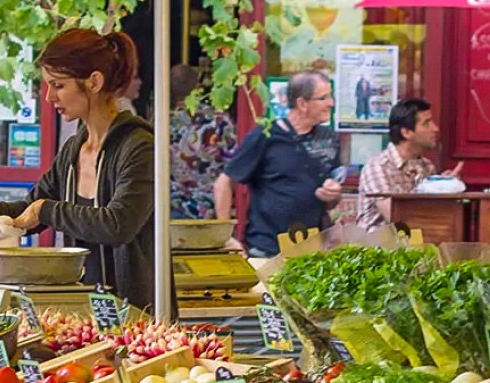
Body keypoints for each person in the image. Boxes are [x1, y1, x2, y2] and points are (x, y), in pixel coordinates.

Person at [0, 28, 161, 312]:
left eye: (58, 85)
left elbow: (119, 224)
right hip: (84, 310)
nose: (48, 97)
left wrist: (45, 209)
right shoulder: (73, 149)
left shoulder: (139, 147)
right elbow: (32, 208)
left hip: (137, 316)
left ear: (94, 81)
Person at [214, 71, 342, 258]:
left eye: (330, 96)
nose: (331, 103)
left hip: (312, 252)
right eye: (323, 98)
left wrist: (333, 194)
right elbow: (223, 183)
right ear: (302, 104)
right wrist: (225, 236)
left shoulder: (329, 138)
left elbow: (331, 201)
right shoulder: (265, 136)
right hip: (267, 249)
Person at [357, 98, 463, 231]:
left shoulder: (427, 167)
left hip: (417, 245)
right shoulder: (379, 167)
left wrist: (444, 186)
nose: (435, 129)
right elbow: (399, 218)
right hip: (378, 248)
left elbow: (434, 216)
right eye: (426, 123)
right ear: (406, 132)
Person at [169, 64, 237, 221]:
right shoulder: (219, 121)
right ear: (198, 88)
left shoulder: (159, 123)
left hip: (170, 208)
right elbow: (234, 165)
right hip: (211, 208)